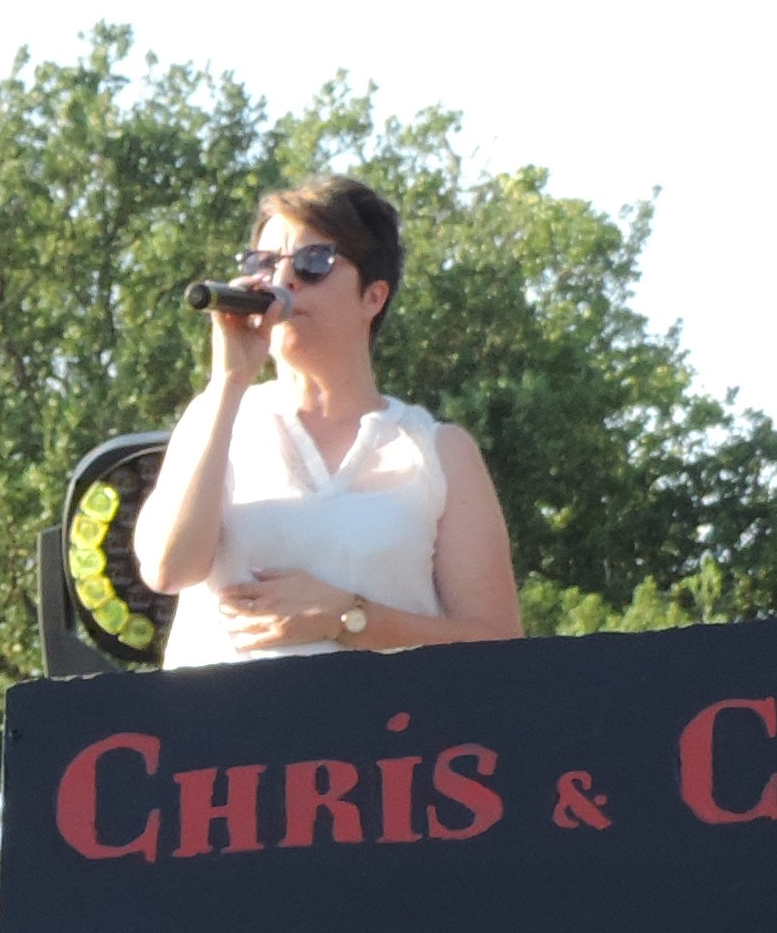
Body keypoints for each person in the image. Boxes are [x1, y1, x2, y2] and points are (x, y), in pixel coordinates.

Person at [135, 175, 523, 666]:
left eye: (313, 263)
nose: (284, 281)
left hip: (384, 739)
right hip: (223, 738)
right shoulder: (216, 416)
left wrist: (348, 618)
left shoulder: (439, 451)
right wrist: (230, 383)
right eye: (264, 264)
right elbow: (168, 569)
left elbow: (500, 649)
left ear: (373, 297)